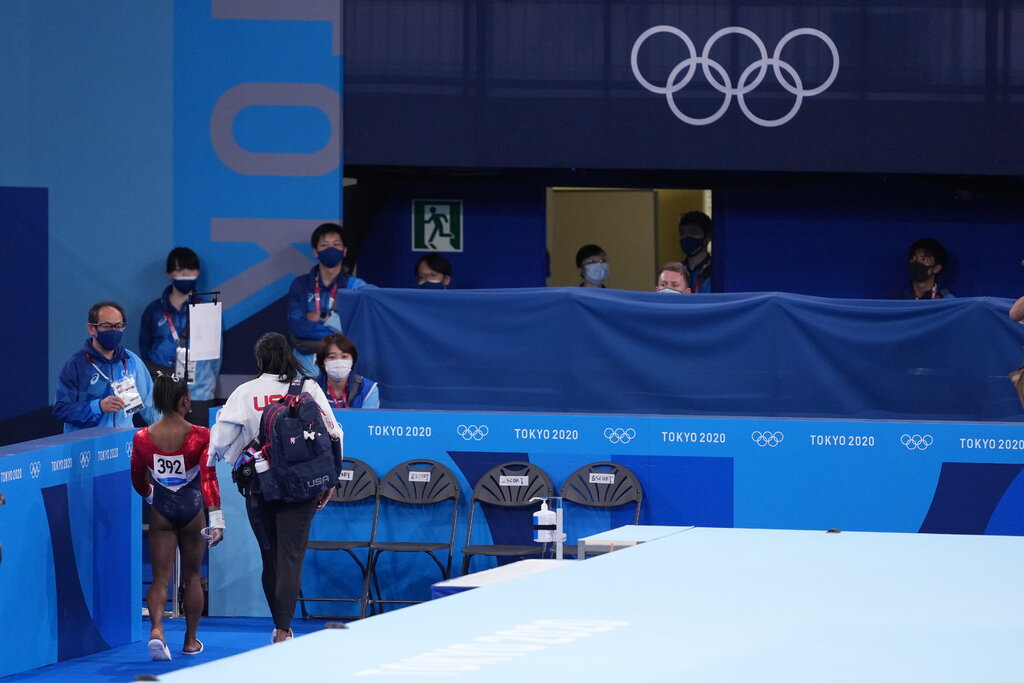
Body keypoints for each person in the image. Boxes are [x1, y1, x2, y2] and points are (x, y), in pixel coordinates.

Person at [209, 332, 343, 644]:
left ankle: (280, 626)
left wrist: (238, 456)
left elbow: (220, 442)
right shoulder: (308, 387)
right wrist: (330, 480)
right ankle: (283, 629)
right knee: (290, 557)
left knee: (270, 557)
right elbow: (334, 433)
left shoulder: (245, 393)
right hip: (303, 486)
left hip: (260, 485)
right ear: (289, 357)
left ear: (259, 361)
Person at [131, 374, 224, 661]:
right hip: (192, 509)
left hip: (162, 509)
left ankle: (157, 630)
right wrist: (217, 520)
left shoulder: (142, 437)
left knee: (160, 578)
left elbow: (137, 479)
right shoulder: (201, 435)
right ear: (185, 400)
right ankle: (190, 641)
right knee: (192, 577)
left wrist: (152, 496)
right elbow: (208, 479)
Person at [139, 247, 222, 426]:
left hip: (198, 393)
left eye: (190, 269)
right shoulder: (153, 311)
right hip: (163, 393)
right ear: (169, 274)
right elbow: (145, 350)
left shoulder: (208, 310)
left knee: (199, 441)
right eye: (179, 269)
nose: (185, 274)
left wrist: (206, 386)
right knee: (164, 442)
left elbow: (216, 357)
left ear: (198, 272)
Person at [53, 301, 159, 432]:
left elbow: (152, 406)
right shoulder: (76, 365)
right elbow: (61, 410)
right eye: (107, 326)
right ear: (92, 328)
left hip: (123, 441)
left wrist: (170, 431)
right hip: (88, 443)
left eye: (118, 326)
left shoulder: (131, 361)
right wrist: (98, 407)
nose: (113, 331)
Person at [288, 223, 370, 376]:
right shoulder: (301, 285)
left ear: (344, 251)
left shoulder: (357, 287)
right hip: (306, 369)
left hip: (344, 368)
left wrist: (323, 318)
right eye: (324, 245)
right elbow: (298, 327)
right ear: (315, 252)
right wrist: (341, 334)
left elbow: (358, 329)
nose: (330, 249)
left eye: (336, 244)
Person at [314, 333, 380, 409]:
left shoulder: (368, 390)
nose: (339, 362)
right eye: (332, 357)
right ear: (322, 362)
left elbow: (368, 417)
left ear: (352, 360)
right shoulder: (311, 389)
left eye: (344, 356)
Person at [678, 211, 712, 293]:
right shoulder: (675, 271)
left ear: (708, 236)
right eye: (683, 233)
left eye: (693, 232)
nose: (687, 237)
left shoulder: (716, 271)